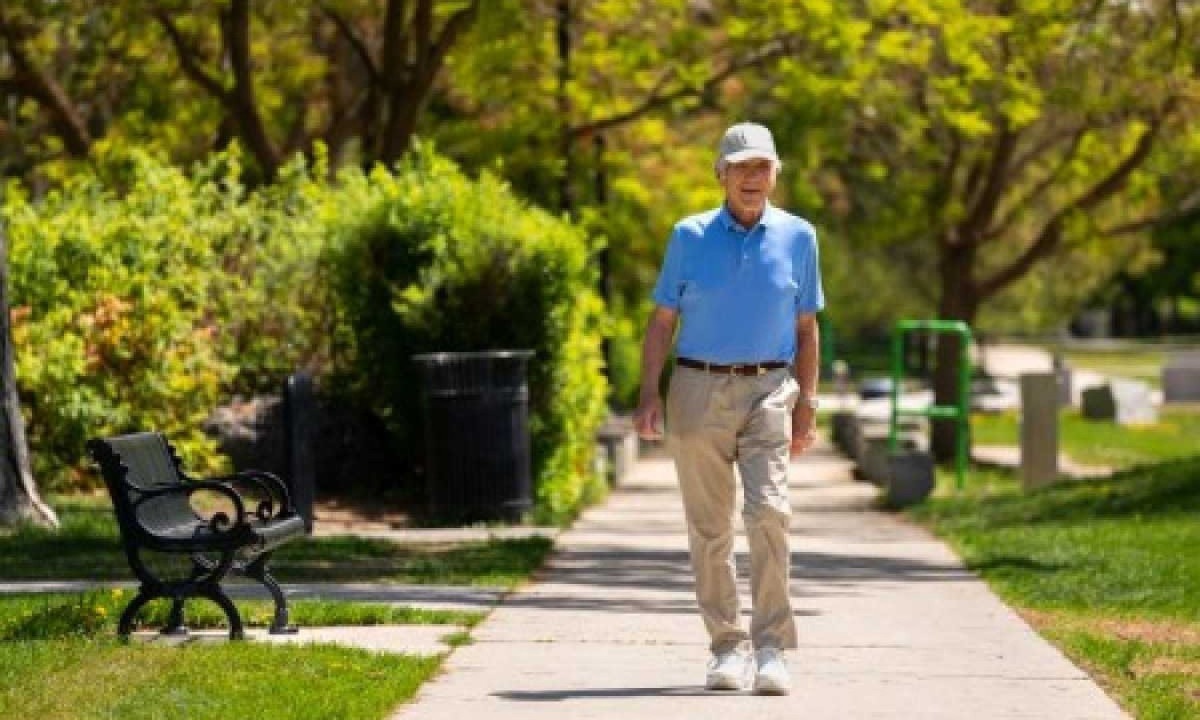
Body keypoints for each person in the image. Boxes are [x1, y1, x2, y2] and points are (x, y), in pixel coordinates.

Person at [633, 122, 823, 696]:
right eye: (740, 166)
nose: (751, 177)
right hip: (697, 388)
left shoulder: (799, 237)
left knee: (769, 512)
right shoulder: (688, 236)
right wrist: (647, 393)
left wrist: (808, 405)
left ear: (774, 175)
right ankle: (726, 648)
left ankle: (770, 648)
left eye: (761, 166)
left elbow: (807, 327)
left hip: (770, 388)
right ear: (720, 174)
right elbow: (662, 322)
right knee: (709, 527)